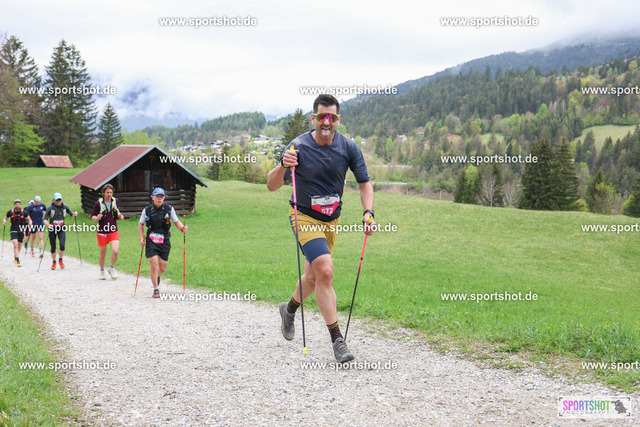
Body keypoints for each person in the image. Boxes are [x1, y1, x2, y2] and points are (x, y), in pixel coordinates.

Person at [266, 94, 376, 363]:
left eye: (332, 117)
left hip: (331, 221)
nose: (327, 122)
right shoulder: (298, 146)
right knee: (325, 270)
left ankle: (289, 310)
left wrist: (368, 212)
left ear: (338, 119)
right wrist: (283, 165)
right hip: (304, 216)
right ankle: (337, 340)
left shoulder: (348, 147)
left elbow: (365, 184)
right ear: (313, 118)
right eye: (321, 117)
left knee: (313, 277)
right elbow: (271, 185)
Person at [138, 187, 187, 298]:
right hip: (151, 239)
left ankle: (155, 276)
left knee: (162, 268)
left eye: (161, 197)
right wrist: (141, 238)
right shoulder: (147, 210)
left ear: (164, 198)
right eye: (157, 197)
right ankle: (156, 289)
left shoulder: (169, 209)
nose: (159, 199)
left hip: (164, 240)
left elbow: (176, 221)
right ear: (153, 197)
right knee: (153, 265)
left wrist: (182, 228)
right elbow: (140, 224)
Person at [91, 184, 124, 280]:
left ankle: (111, 268)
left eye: (111, 192)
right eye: (107, 192)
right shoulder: (98, 203)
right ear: (103, 193)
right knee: (103, 253)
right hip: (102, 231)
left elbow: (117, 210)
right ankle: (102, 271)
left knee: (115, 251)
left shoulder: (115, 201)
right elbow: (92, 216)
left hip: (113, 230)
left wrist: (120, 215)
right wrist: (97, 217)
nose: (109, 194)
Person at [43, 193, 77, 270]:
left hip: (61, 228)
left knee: (62, 245)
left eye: (59, 199)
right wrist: (48, 225)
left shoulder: (65, 207)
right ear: (53, 200)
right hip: (52, 229)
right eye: (57, 200)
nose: (58, 201)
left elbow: (72, 215)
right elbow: (45, 219)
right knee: (53, 246)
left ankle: (60, 260)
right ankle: (54, 261)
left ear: (61, 199)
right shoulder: (50, 208)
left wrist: (75, 214)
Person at [2, 200, 32, 267]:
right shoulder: (11, 212)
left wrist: (30, 224)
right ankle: (18, 260)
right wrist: (4, 222)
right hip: (13, 230)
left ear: (20, 205)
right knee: (15, 245)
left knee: (19, 245)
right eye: (16, 204)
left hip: (21, 230)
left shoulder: (24, 212)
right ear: (14, 205)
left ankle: (15, 256)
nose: (17, 205)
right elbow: (5, 218)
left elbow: (29, 219)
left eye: (18, 204)